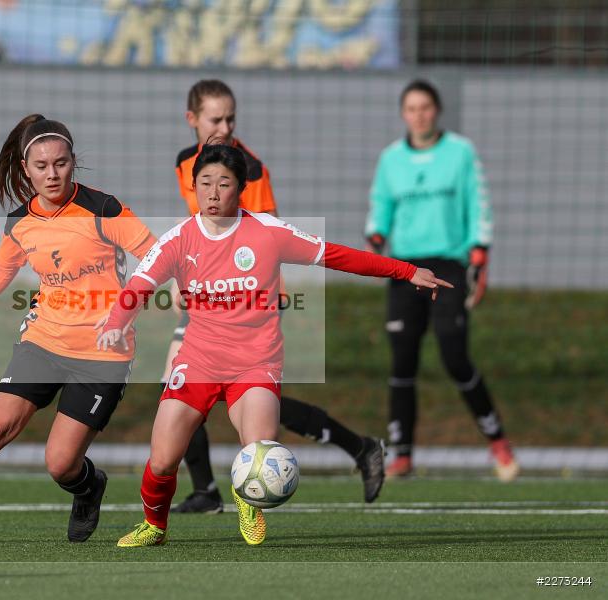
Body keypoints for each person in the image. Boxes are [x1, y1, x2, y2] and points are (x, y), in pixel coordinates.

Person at [97, 143, 451, 546]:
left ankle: (247, 500)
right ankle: (154, 527)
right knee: (161, 461)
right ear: (193, 186)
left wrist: (406, 271)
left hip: (255, 363)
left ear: (241, 189)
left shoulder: (267, 232)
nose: (213, 193)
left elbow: (335, 256)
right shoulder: (179, 239)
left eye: (224, 183)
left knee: (260, 452)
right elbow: (139, 286)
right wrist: (115, 323)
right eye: (205, 183)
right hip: (197, 361)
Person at [0, 114, 156, 544]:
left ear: (73, 162)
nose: (52, 173)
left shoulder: (104, 208)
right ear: (26, 169)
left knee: (60, 464)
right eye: (41, 166)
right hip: (43, 340)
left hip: (101, 354)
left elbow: (155, 258)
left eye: (60, 163)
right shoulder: (20, 222)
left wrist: (123, 313)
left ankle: (89, 487)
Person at [169, 79, 386, 514]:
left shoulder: (249, 167)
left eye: (231, 118)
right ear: (192, 120)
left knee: (241, 394)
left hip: (249, 294)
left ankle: (208, 490)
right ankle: (358, 447)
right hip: (211, 292)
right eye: (216, 119)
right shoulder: (185, 163)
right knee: (214, 390)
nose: (226, 126)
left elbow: (264, 233)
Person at [364, 79, 519, 481]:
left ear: (437, 111)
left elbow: (477, 201)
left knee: (454, 356)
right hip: (404, 267)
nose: (419, 115)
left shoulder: (460, 152)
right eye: (412, 108)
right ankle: (402, 455)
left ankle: (498, 443)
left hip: (448, 265)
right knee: (402, 361)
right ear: (404, 114)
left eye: (426, 107)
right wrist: (376, 231)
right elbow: (380, 203)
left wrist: (479, 250)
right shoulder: (390, 159)